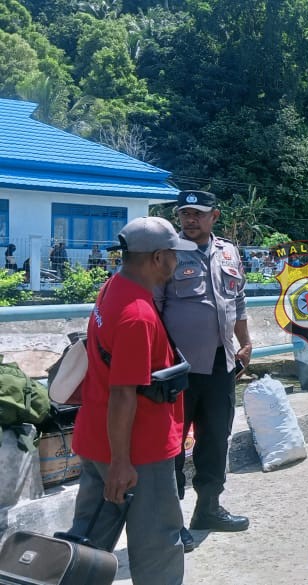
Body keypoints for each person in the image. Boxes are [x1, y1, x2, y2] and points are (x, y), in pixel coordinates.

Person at [68, 216, 196, 584]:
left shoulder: (112, 289)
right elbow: (124, 393)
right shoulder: (137, 314)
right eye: (174, 253)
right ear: (158, 258)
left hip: (96, 440)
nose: (178, 261)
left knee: (89, 540)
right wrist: (123, 462)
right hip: (138, 452)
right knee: (159, 546)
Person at [155, 190, 252, 552]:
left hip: (221, 362)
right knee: (173, 445)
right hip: (180, 367)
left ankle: (208, 509)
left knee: (216, 439)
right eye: (185, 214)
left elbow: (237, 299)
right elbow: (156, 309)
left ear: (215, 215)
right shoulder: (167, 253)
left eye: (198, 214)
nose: (190, 220)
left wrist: (246, 342)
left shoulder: (228, 251)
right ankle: (171, 522)